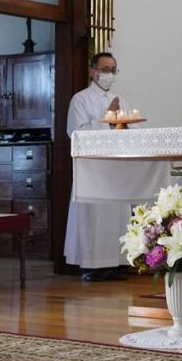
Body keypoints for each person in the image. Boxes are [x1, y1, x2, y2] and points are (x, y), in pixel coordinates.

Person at [64, 52, 132, 282]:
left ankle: (117, 263)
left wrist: (120, 124)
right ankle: (92, 266)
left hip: (115, 169)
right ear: (93, 71)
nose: (109, 74)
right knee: (94, 217)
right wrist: (106, 119)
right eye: (105, 69)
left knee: (116, 217)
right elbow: (76, 132)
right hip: (92, 170)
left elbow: (127, 130)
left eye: (113, 70)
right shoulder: (81, 99)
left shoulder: (121, 100)